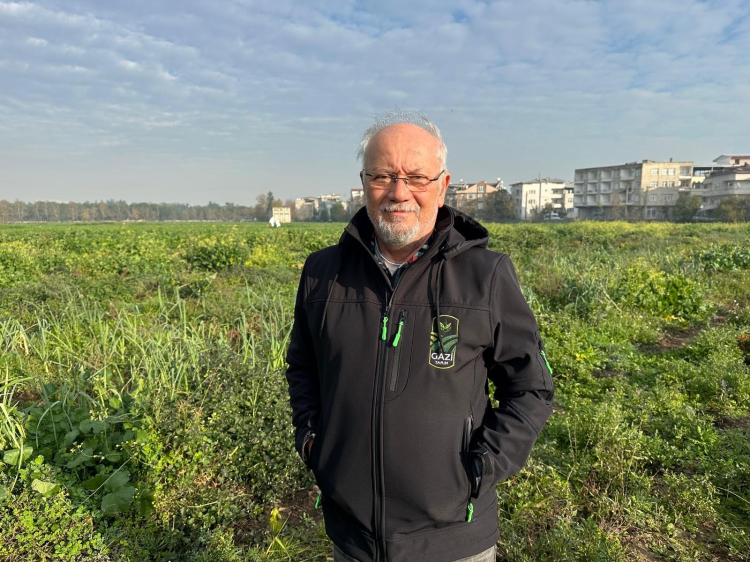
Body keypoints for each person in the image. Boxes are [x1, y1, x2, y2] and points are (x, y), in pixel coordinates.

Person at [285, 109, 554, 562]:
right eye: (382, 176)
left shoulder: (485, 276)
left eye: (416, 177)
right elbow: (302, 366)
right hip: (352, 538)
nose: (399, 192)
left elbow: (530, 388)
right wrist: (313, 441)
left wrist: (479, 469)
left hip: (454, 540)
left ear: (443, 186)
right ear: (363, 182)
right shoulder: (323, 273)